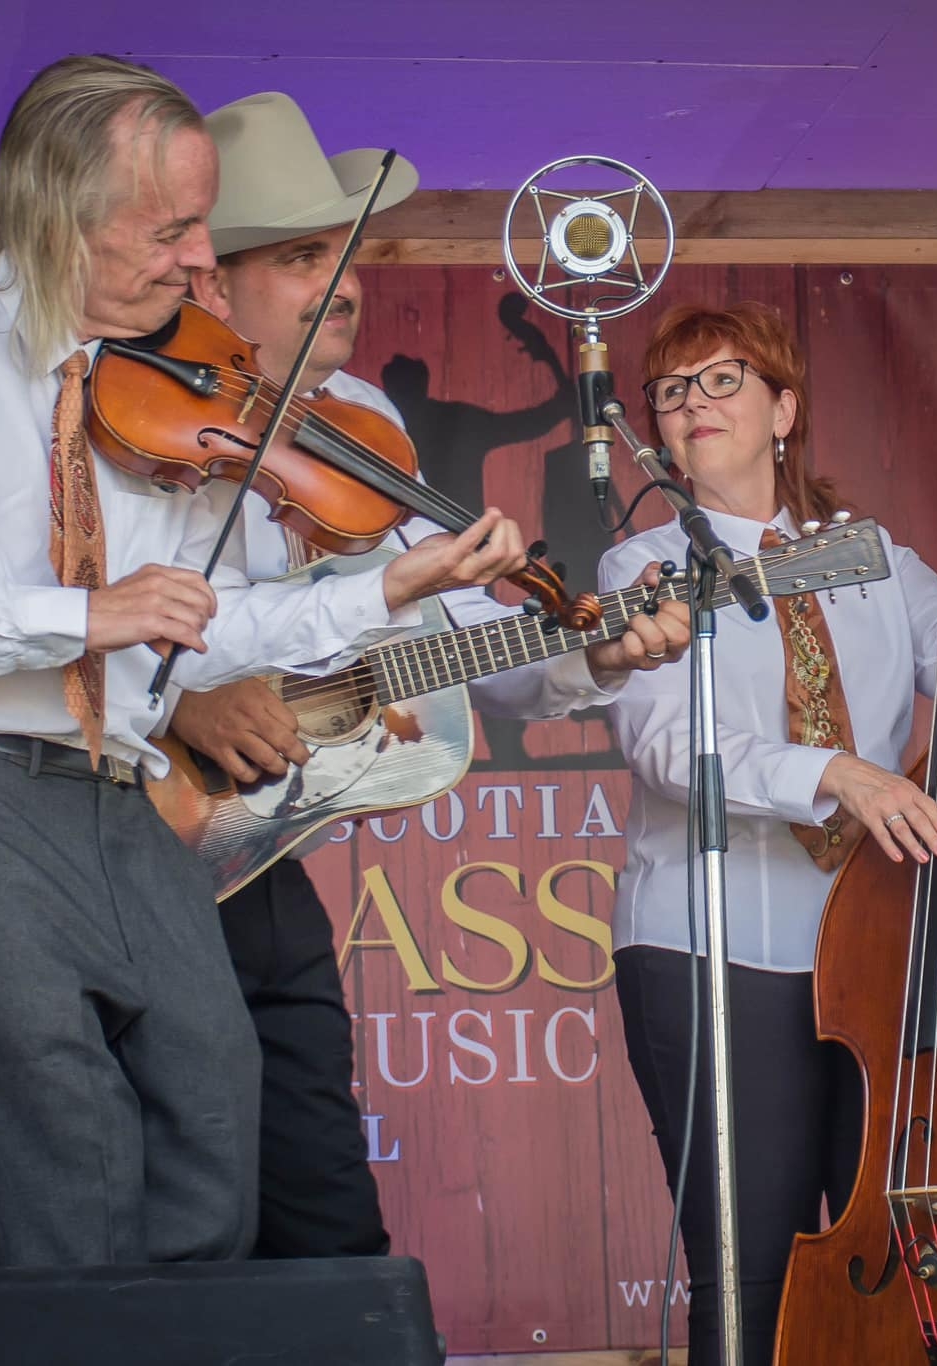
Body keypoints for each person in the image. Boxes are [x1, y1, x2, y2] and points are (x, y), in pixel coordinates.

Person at [0, 56, 534, 1267]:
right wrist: (78, 615)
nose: (202, 260)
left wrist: (385, 589)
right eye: (173, 229)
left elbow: (196, 626)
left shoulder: (143, 380)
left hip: (120, 790)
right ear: (61, 208)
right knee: (61, 1169)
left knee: (217, 1096)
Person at [172, 91, 691, 1258]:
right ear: (213, 277)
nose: (344, 279)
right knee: (173, 1197)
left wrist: (586, 657)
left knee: (317, 1181)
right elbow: (81, 605)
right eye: (306, 254)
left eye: (347, 251)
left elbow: (461, 636)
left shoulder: (361, 418)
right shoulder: (127, 402)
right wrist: (178, 695)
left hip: (262, 839)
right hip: (131, 817)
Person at [597, 302, 937, 1365]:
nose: (692, 406)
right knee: (750, 1265)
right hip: (710, 951)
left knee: (890, 1253)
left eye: (721, 381)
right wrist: (837, 773)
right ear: (656, 432)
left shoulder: (872, 558)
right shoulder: (643, 570)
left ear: (782, 409)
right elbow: (675, 749)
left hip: (870, 950)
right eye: (671, 392)